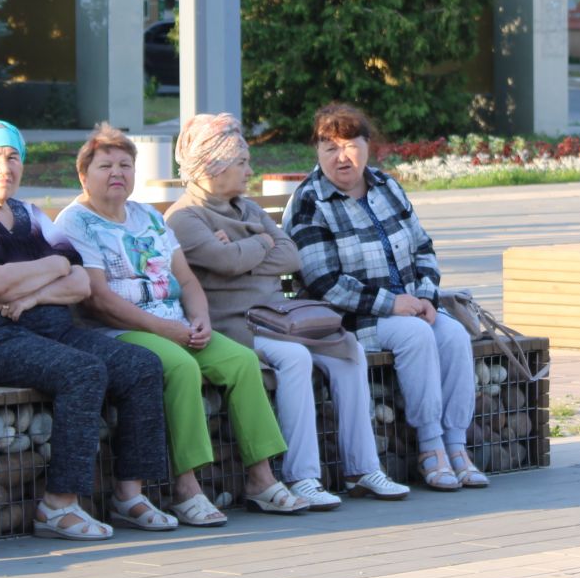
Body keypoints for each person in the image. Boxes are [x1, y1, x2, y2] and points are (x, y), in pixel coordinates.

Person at [0, 120, 174, 541]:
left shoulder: (30, 214)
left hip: (46, 327)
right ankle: (57, 507)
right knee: (82, 371)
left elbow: (80, 284)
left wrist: (30, 294)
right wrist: (55, 266)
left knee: (140, 365)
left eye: (12, 157)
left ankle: (129, 495)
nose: (4, 167)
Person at [57, 124, 311, 523]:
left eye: (125, 164)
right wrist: (166, 330)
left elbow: (187, 280)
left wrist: (200, 318)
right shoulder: (75, 223)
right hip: (121, 330)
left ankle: (261, 479)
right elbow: (100, 300)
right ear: (83, 175)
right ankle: (186, 487)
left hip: (177, 323)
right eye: (105, 165)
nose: (117, 173)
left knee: (241, 362)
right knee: (180, 367)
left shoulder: (147, 217)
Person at [166, 113, 410, 508]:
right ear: (214, 165)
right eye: (242, 162)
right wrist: (260, 243)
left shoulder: (244, 207)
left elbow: (291, 255)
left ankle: (363, 469)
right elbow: (223, 262)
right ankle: (302, 477)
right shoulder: (184, 217)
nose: (250, 169)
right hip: (237, 324)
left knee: (346, 348)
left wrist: (243, 246)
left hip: (279, 316)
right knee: (295, 358)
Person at [289, 102, 489, 490]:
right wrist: (393, 304)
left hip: (413, 306)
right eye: (329, 147)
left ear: (368, 145)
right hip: (352, 319)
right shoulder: (310, 201)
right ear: (316, 152)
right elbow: (323, 281)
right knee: (415, 335)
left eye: (349, 144)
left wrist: (427, 297)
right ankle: (430, 447)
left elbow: (423, 248)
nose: (340, 156)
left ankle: (456, 444)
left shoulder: (386, 186)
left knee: (452, 335)